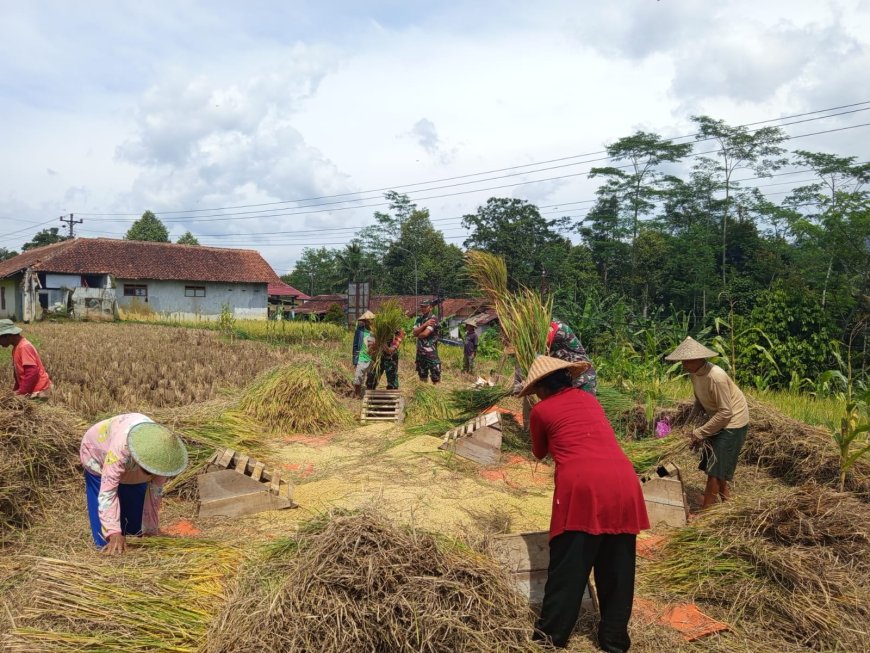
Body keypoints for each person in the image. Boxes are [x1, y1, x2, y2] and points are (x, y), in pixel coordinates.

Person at [522, 356, 649, 652]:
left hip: (582, 486)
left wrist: (535, 416)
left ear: (541, 386)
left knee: (569, 567)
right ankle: (614, 641)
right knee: (617, 568)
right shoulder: (590, 400)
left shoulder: (541, 410)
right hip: (624, 482)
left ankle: (550, 640)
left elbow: (540, 453)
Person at [80, 414, 188, 554]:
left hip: (131, 465)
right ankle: (107, 539)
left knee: (135, 530)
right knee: (107, 542)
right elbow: (108, 492)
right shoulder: (121, 449)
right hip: (97, 452)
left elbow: (154, 494)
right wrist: (113, 532)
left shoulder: (163, 456)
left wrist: (150, 529)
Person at [665, 336, 749, 509]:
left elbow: (726, 412)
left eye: (687, 361)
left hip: (733, 424)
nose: (683, 365)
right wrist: (687, 425)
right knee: (718, 469)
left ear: (699, 359)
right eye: (682, 361)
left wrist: (700, 432)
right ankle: (728, 505)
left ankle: (705, 514)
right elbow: (699, 402)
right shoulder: (695, 374)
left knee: (714, 472)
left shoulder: (715, 377)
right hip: (718, 420)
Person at [0, 319, 52, 399]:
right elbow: (18, 373)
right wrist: (16, 391)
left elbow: (32, 373)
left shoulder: (24, 347)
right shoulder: (16, 347)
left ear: (7, 336)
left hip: (38, 392)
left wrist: (22, 393)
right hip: (30, 390)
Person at [547, 319, 597, 395]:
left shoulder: (559, 327)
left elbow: (546, 341)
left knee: (583, 404)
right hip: (566, 378)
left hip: (582, 375)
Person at [412, 300, 441, 384]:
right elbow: (414, 333)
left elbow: (424, 334)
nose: (423, 308)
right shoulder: (419, 319)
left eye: (425, 306)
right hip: (420, 352)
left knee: (435, 375)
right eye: (422, 306)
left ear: (430, 307)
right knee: (422, 375)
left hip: (430, 353)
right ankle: (423, 391)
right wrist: (424, 324)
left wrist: (418, 333)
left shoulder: (433, 319)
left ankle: (437, 394)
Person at [352, 311, 376, 398]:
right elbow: (355, 345)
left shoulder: (376, 331)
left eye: (371, 320)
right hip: (361, 357)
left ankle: (369, 396)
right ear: (365, 321)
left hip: (372, 358)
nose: (369, 322)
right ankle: (357, 394)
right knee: (358, 377)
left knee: (371, 378)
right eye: (367, 320)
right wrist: (354, 360)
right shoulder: (359, 331)